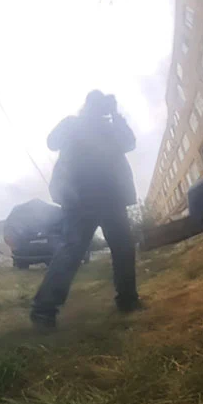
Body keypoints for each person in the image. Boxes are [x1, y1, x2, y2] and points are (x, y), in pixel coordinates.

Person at [31, 90, 141, 331]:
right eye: (95, 104)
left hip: (110, 196)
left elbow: (129, 143)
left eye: (101, 106)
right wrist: (75, 125)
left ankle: (128, 301)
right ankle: (44, 310)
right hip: (79, 197)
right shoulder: (73, 123)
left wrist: (116, 114)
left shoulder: (110, 128)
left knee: (122, 247)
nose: (97, 109)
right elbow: (52, 142)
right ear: (87, 106)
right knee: (71, 250)